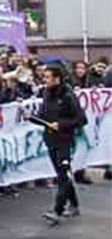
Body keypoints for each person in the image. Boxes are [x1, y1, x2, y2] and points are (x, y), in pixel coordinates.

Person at [32, 65, 87, 225]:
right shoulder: (46, 93)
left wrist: (61, 125)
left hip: (64, 140)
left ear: (57, 78)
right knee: (62, 174)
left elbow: (81, 120)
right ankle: (74, 205)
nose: (45, 80)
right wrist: (30, 117)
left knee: (63, 174)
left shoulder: (68, 95)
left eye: (48, 77)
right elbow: (42, 115)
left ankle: (57, 210)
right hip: (50, 139)